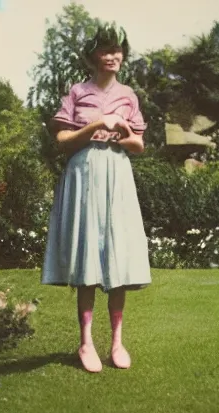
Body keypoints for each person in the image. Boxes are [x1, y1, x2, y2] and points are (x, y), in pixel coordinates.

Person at [41, 23, 151, 373]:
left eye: (117, 51)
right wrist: (96, 125)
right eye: (105, 51)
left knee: (117, 255)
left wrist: (122, 130)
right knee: (88, 254)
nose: (113, 56)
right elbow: (61, 140)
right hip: (84, 173)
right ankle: (86, 341)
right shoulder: (77, 92)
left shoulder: (129, 95)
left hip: (117, 174)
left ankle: (117, 343)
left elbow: (139, 145)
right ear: (93, 57)